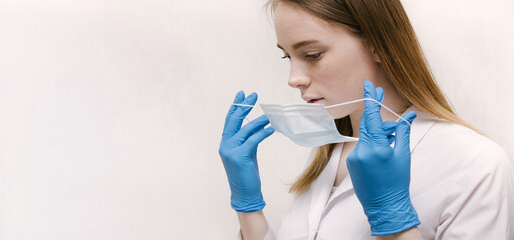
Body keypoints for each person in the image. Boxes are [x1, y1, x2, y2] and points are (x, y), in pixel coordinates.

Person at [218, 0, 514, 239]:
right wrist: (249, 208)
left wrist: (393, 222)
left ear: (378, 44)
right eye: (287, 57)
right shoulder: (329, 150)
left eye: (312, 54)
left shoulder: (476, 165)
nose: (293, 79)